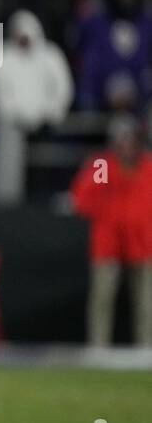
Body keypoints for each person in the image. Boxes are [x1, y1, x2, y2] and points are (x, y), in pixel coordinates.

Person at [70, 116, 152, 346]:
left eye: (131, 140)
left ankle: (147, 349)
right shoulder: (103, 165)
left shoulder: (148, 168)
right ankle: (99, 348)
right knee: (102, 299)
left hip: (143, 241)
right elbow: (82, 201)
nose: (127, 146)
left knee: (146, 301)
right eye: (122, 140)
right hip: (109, 241)